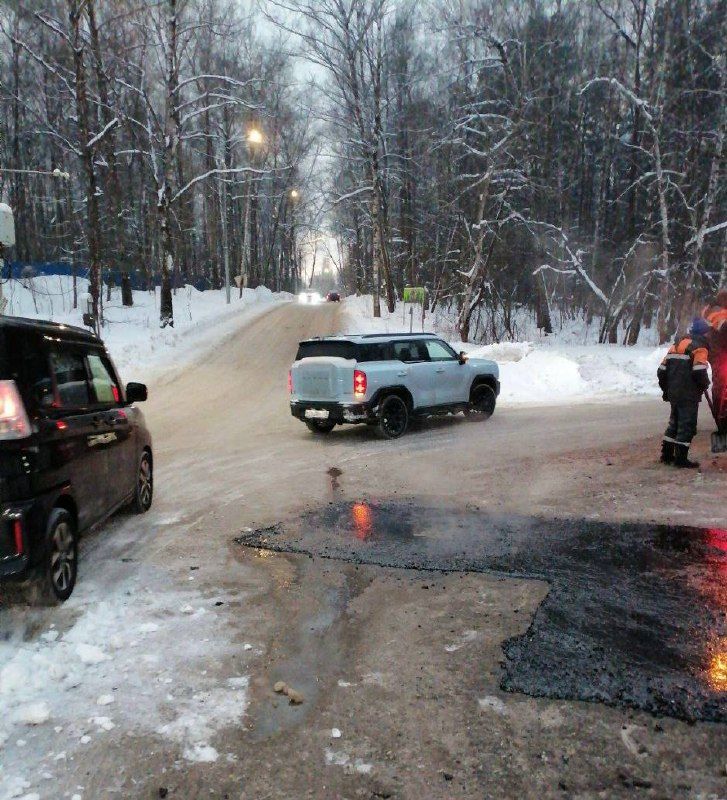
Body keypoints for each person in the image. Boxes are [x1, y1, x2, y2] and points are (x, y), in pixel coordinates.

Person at [657, 318, 711, 468]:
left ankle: (667, 455)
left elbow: (661, 371)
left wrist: (666, 389)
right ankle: (681, 459)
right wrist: (705, 384)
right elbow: (699, 371)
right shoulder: (700, 348)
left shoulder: (676, 345)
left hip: (674, 393)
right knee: (687, 425)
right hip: (688, 394)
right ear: (703, 333)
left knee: (674, 423)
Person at [702, 289, 727, 435]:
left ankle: (721, 418)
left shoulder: (711, 310)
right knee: (720, 384)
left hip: (716, 351)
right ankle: (721, 421)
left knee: (719, 384)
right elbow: (724, 327)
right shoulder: (718, 313)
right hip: (719, 352)